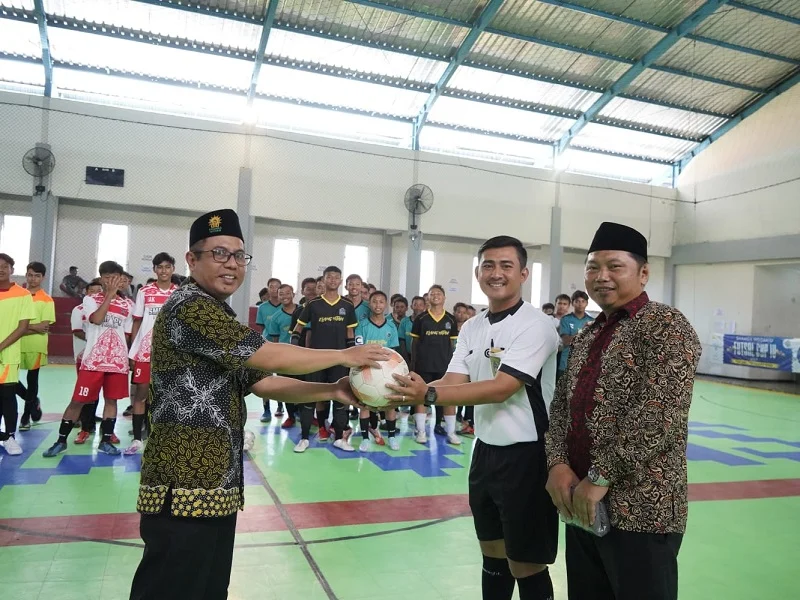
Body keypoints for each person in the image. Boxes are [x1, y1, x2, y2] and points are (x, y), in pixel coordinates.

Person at [129, 209, 388, 600]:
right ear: (191, 259)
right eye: (219, 253)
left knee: (209, 589)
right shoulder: (190, 307)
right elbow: (268, 356)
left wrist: (332, 390)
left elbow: (265, 382)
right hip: (182, 485)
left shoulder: (217, 312)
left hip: (214, 484)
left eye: (238, 256)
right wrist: (344, 354)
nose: (232, 265)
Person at [386, 235, 560, 600]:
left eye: (506, 266)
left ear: (524, 273)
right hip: (484, 453)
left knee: (525, 564)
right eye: (488, 266)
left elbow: (501, 387)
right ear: (478, 272)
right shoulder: (472, 326)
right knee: (492, 557)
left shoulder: (537, 326)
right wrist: (403, 390)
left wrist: (427, 395)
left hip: (528, 456)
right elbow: (454, 380)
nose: (496, 273)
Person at [544, 222, 701, 600]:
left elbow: (659, 415)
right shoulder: (586, 336)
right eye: (593, 267)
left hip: (642, 510)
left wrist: (599, 478)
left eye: (615, 266)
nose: (602, 277)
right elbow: (561, 408)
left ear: (643, 273)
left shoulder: (666, 325)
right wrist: (557, 464)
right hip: (581, 506)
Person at [43, 261, 133, 457]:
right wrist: (109, 296)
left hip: (117, 363)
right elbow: (96, 319)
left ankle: (106, 441)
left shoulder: (128, 304)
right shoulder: (90, 299)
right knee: (78, 401)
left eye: (115, 278)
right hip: (93, 361)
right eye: (107, 278)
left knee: (111, 402)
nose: (111, 281)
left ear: (121, 279)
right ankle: (61, 441)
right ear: (101, 279)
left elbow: (126, 335)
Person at [292, 266, 359, 452]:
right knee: (310, 397)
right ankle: (304, 438)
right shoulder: (313, 304)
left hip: (339, 360)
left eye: (337, 277)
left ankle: (339, 438)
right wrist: (296, 349)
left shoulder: (347, 305)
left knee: (340, 399)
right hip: (316, 360)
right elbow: (298, 329)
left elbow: (350, 334)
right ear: (323, 280)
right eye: (329, 277)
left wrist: (351, 357)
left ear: (340, 281)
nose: (333, 280)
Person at [124, 253, 179, 456]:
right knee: (141, 395)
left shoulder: (178, 293)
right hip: (145, 353)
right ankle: (137, 438)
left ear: (173, 268)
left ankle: (163, 437)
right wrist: (133, 351)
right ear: (154, 270)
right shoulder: (144, 292)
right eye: (160, 267)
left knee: (167, 396)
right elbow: (137, 321)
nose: (164, 270)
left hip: (169, 355)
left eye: (167, 266)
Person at [409, 284, 460, 445]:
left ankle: (451, 432)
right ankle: (421, 431)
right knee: (421, 397)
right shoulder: (421, 319)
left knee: (448, 399)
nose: (435, 295)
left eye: (439, 293)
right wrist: (413, 366)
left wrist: (454, 367)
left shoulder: (451, 319)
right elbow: (414, 344)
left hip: (444, 367)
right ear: (428, 298)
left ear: (444, 298)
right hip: (424, 366)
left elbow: (453, 346)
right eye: (432, 294)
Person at [354, 290, 400, 451]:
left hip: (386, 372)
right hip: (367, 370)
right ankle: (365, 438)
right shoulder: (362, 326)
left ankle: (392, 437)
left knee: (390, 405)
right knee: (365, 405)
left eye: (381, 302)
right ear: (369, 304)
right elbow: (358, 349)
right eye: (374, 302)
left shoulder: (390, 326)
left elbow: (394, 352)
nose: (378, 305)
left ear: (386, 305)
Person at [0, 253, 35, 456]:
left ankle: (10, 437)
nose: (1, 269)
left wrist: (1, 346)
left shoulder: (22, 294)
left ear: (12, 269)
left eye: (5, 266)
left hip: (8, 353)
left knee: (7, 394)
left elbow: (23, 327)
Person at [16, 261, 55, 431]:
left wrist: (21, 328)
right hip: (14, 342)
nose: (33, 279)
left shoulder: (47, 300)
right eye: (30, 275)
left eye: (37, 276)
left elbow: (43, 327)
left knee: (32, 380)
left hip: (36, 345)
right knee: (8, 380)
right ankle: (33, 401)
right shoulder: (18, 296)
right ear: (26, 275)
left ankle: (25, 416)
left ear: (43, 278)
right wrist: (32, 327)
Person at [72, 278, 102, 439]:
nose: (96, 294)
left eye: (99, 291)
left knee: (96, 390)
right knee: (85, 391)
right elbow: (77, 331)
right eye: (92, 291)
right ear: (86, 292)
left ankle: (90, 420)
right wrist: (95, 339)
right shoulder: (79, 309)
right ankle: (83, 422)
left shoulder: (105, 309)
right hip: (83, 356)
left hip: (100, 356)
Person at [267, 283, 299, 428]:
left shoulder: (303, 311)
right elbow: (275, 340)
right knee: (287, 388)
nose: (285, 296)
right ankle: (291, 416)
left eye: (287, 293)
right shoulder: (276, 317)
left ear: (293, 294)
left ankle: (306, 416)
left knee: (303, 385)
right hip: (285, 357)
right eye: (281, 294)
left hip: (302, 355)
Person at [255, 277, 283, 422]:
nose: (274, 289)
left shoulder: (286, 306)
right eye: (271, 286)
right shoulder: (263, 308)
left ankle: (281, 405)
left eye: (277, 287)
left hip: (283, 346)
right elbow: (261, 328)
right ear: (268, 288)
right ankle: (266, 410)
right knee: (265, 377)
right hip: (267, 346)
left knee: (282, 377)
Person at [556, 290, 593, 381]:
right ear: (572, 303)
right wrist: (583, 332)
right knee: (562, 394)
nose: (580, 304)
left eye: (583, 301)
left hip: (584, 365)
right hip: (566, 364)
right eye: (577, 301)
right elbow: (566, 341)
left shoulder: (592, 320)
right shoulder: (566, 319)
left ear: (587, 303)